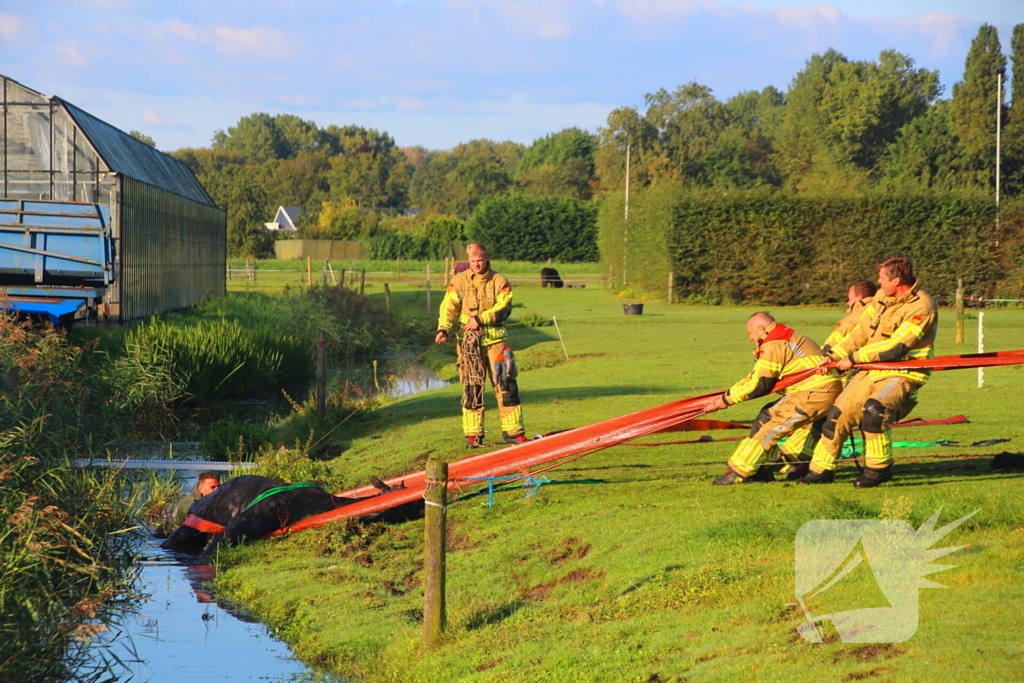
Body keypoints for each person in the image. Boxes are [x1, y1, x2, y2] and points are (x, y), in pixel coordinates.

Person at [799, 255, 937, 488]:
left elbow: (897, 346)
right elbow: (860, 332)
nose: (878, 282)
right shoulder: (882, 298)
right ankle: (819, 471)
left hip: (901, 372)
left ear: (896, 280)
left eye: (882, 278)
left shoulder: (922, 306)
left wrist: (853, 358)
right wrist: (832, 355)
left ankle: (878, 470)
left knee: (874, 410)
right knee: (836, 416)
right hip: (869, 369)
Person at [703, 313, 842, 484]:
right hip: (810, 391)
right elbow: (755, 377)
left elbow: (761, 384)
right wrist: (727, 395)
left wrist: (725, 401)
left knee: (770, 430)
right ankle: (763, 470)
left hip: (814, 394)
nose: (750, 338)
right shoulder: (784, 338)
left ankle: (739, 473)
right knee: (765, 416)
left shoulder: (775, 344)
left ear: (761, 329)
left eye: (751, 333)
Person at [435, 242, 526, 447]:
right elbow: (449, 307)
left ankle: (514, 433)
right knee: (472, 388)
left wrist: (480, 319)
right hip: (469, 346)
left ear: (486, 258)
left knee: (506, 385)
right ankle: (473, 436)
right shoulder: (458, 281)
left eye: (480, 260)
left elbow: (504, 307)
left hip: (497, 344)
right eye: (472, 262)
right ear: (469, 262)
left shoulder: (500, 280)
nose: (476, 265)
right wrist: (443, 329)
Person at [822, 279, 878, 357]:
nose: (848, 303)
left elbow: (837, 340)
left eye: (849, 299)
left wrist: (824, 352)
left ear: (859, 297)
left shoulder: (857, 315)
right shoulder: (879, 308)